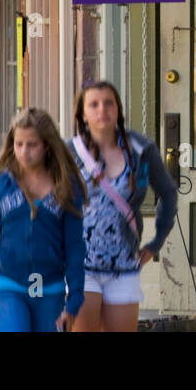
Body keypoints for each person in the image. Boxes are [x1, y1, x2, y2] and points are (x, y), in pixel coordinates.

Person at [68, 80, 177, 332]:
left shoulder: (141, 149)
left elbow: (168, 193)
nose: (102, 110)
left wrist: (156, 242)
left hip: (125, 264)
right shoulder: (69, 152)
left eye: (108, 103)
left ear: (118, 108)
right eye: (93, 104)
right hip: (80, 265)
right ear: (82, 113)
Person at [0, 108, 85, 332]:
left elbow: (75, 247)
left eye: (32, 144)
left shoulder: (66, 187)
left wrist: (74, 301)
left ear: (46, 145)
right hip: (10, 287)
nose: (24, 152)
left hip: (50, 290)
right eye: (19, 144)